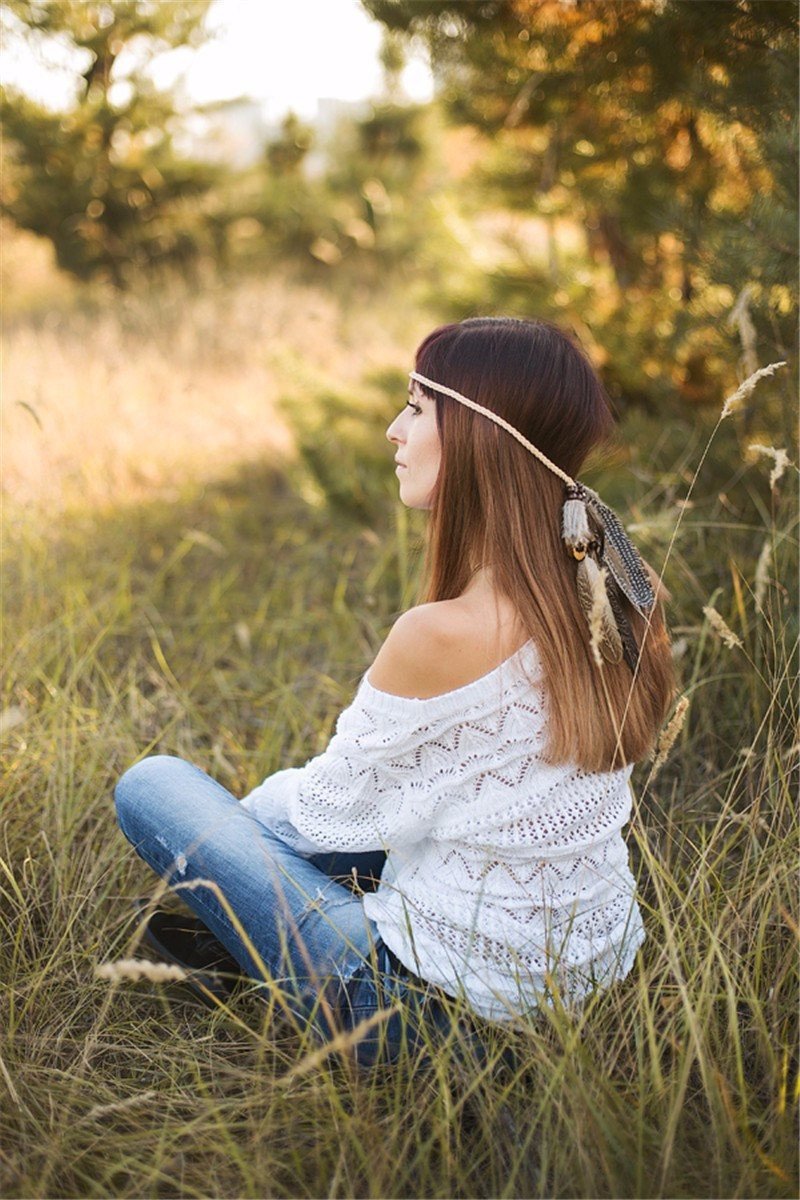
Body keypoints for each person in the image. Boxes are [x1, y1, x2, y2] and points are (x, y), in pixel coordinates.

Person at [114, 316, 674, 1068]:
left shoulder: (442, 632)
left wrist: (236, 836)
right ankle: (223, 952)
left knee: (155, 786)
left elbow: (326, 814)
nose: (393, 429)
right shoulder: (621, 589)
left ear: (477, 435)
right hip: (590, 977)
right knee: (377, 834)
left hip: (411, 1013)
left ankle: (229, 951)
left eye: (415, 407)